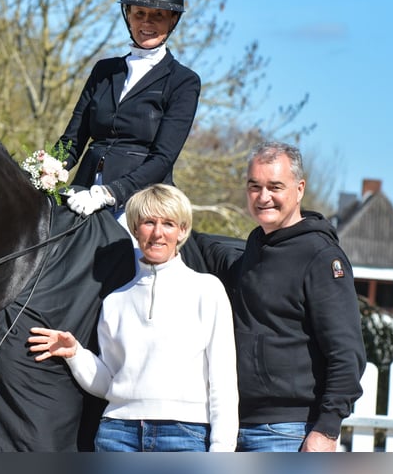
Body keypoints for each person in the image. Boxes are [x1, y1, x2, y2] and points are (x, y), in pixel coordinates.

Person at [28, 184, 238, 452]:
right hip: (117, 434)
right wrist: (75, 355)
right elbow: (109, 384)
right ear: (135, 229)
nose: (158, 233)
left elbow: (223, 383)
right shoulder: (115, 300)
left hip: (185, 434)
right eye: (148, 222)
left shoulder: (207, 290)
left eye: (169, 224)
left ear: (182, 231)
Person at [195, 141, 366, 452]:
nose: (263, 197)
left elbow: (347, 353)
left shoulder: (321, 258)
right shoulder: (254, 249)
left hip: (289, 433)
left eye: (275, 186)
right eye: (254, 186)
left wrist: (326, 430)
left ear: (299, 189)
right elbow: (210, 249)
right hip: (235, 426)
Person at [58, 0, 201, 218]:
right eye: (140, 14)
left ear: (173, 20)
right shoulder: (104, 70)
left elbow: (163, 158)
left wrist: (109, 192)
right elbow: (72, 141)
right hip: (82, 191)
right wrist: (42, 171)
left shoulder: (183, 82)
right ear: (128, 16)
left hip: (139, 201)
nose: (147, 22)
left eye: (158, 15)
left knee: (131, 254)